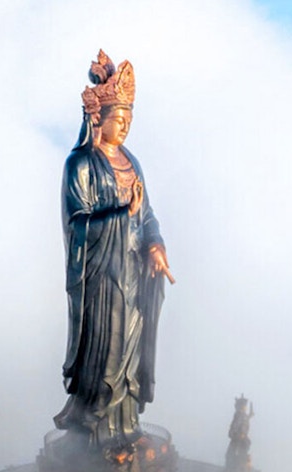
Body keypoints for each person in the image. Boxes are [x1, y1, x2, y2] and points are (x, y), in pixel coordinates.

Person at [54, 51, 174, 446]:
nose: (123, 128)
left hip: (135, 274)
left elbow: (148, 212)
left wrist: (155, 244)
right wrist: (123, 215)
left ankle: (127, 426)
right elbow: (78, 226)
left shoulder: (131, 161)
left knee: (131, 355)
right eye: (117, 120)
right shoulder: (81, 165)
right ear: (97, 120)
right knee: (106, 353)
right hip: (103, 283)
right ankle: (96, 429)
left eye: (128, 121)